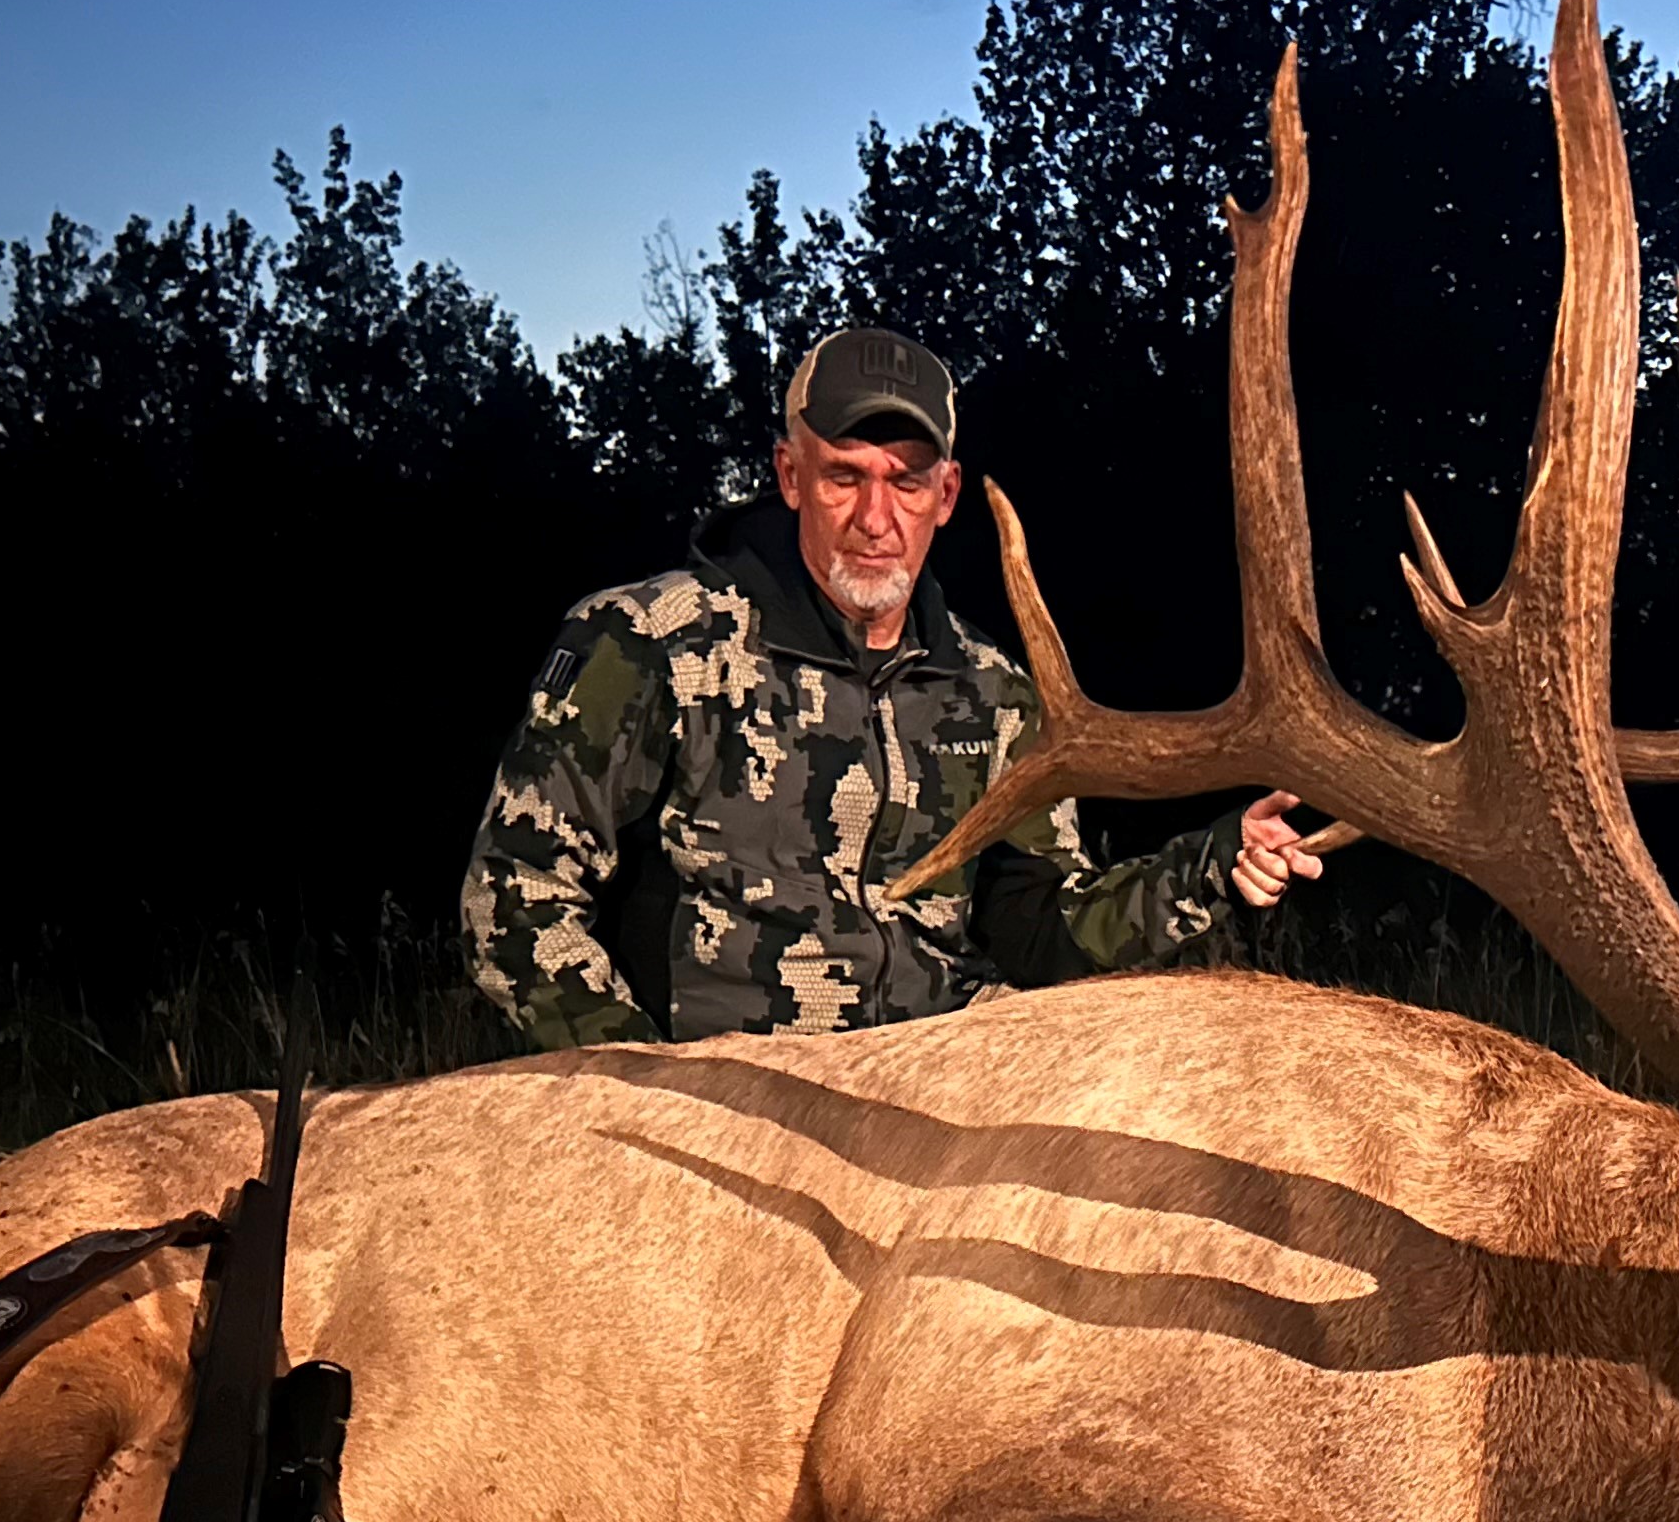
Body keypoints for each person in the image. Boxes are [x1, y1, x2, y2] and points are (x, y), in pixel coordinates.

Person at [464, 325, 1327, 1046]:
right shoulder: (656, 643)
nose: (877, 520)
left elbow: (1041, 928)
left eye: (907, 481)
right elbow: (514, 893)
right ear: (790, 475)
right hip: (740, 1090)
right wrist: (645, 1082)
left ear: (945, 495)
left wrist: (1214, 864)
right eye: (845, 475)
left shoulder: (993, 693)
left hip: (941, 1090)